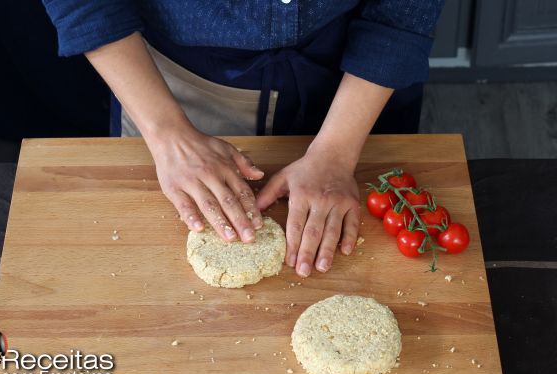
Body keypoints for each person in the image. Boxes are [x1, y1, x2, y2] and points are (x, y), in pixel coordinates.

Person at [43, 1, 444, 277]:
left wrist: (338, 151)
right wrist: (167, 133)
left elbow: (405, 8)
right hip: (177, 86)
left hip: (363, 76)